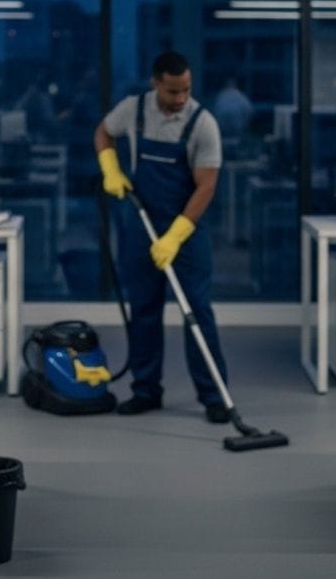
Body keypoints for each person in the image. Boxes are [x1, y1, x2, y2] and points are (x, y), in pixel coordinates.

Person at [94, 51, 231, 422]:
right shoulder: (133, 109)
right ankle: (146, 390)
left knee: (197, 310)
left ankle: (215, 395)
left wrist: (175, 236)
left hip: (186, 228)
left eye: (186, 89)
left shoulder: (204, 124)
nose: (180, 98)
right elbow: (104, 133)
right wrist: (111, 169)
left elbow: (206, 187)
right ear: (156, 83)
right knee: (144, 309)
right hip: (140, 223)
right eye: (173, 91)